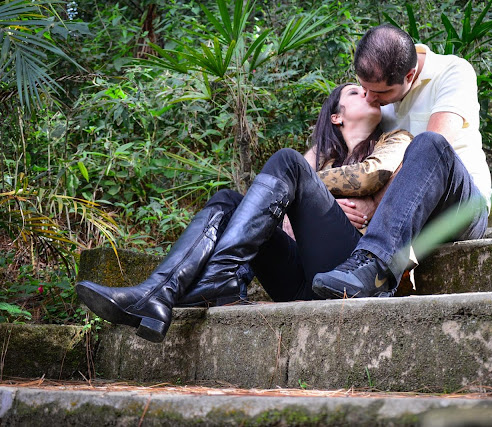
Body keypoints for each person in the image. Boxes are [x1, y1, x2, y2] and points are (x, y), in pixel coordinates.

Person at [76, 83, 412, 343]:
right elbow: (278, 220)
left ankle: (216, 277)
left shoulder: (396, 139)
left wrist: (309, 187)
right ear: (336, 116)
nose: (367, 92)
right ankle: (159, 291)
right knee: (227, 200)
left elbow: (371, 175)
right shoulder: (320, 157)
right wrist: (314, 194)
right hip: (298, 281)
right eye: (355, 91)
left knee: (287, 162)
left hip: (350, 268)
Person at [312, 24, 492, 299]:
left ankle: (377, 270)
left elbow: (435, 152)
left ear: (409, 76)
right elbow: (331, 148)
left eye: (380, 94)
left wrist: (374, 204)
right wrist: (306, 186)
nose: (370, 98)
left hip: (460, 208)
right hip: (399, 223)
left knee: (429, 143)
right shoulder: (377, 91)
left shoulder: (452, 72)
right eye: (363, 88)